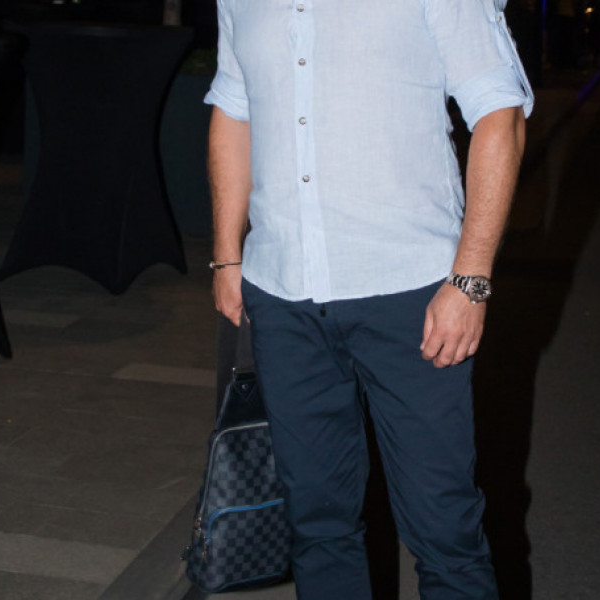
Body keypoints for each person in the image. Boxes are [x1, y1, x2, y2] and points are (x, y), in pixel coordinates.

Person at [205, 1, 533, 598]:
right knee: (317, 526)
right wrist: (227, 255)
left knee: (444, 530)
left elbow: (500, 113)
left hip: (414, 295)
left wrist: (471, 280)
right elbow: (233, 109)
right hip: (284, 294)